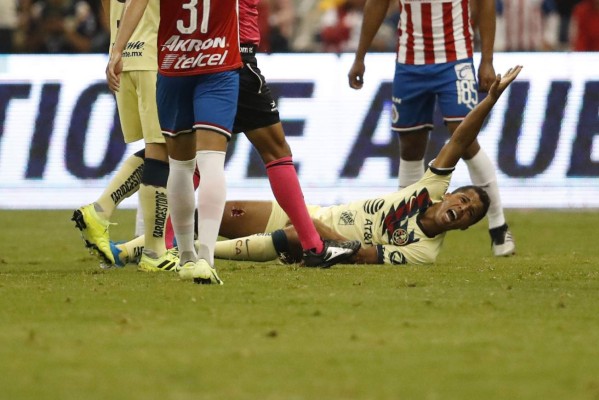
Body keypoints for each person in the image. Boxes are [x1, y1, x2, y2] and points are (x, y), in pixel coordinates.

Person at [113, 67, 522, 266]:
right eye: (466, 198)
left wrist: (315, 238)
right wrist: (489, 100)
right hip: (314, 217)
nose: (464, 207)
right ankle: (134, 250)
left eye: (470, 213)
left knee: (256, 235)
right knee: (215, 214)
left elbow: (364, 256)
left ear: (464, 226)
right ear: (452, 193)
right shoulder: (430, 190)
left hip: (321, 241)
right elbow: (458, 139)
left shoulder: (424, 252)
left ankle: (186, 258)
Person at [106, 0, 361, 271]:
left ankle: (158, 245)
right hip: (230, 57)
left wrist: (117, 49)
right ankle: (313, 246)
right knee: (273, 151)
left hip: (187, 57)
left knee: (191, 162)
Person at [347, 0, 516, 258]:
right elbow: (377, 4)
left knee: (465, 138)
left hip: (455, 59)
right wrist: (360, 56)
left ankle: (498, 225)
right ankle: (402, 224)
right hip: (409, 63)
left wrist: (487, 60)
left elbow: (485, 4)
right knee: (411, 146)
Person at [105, 0, 245, 285]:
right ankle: (205, 258)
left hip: (174, 66)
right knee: (211, 162)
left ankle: (185, 257)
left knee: (180, 166)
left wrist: (117, 49)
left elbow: (137, 3)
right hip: (218, 64)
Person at [72, 0, 179, 273]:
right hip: (153, 55)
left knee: (160, 149)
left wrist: (116, 48)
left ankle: (103, 213)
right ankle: (153, 250)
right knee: (164, 150)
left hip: (126, 61)